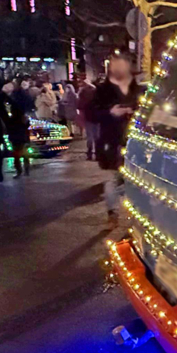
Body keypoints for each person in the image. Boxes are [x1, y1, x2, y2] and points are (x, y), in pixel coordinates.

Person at [93, 54, 143, 227]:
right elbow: (92, 114)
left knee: (135, 182)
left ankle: (136, 219)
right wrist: (111, 113)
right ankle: (112, 214)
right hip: (112, 142)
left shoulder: (139, 90)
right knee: (113, 180)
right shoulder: (102, 90)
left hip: (137, 144)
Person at [7, 94, 31, 179]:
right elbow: (27, 126)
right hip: (23, 137)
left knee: (17, 155)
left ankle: (19, 171)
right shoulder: (23, 118)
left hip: (15, 138)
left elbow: (9, 128)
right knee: (25, 154)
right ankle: (26, 170)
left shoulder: (11, 119)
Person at [77, 80, 97, 159]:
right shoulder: (97, 93)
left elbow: (79, 106)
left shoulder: (83, 94)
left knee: (90, 136)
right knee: (96, 136)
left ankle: (89, 153)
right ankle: (97, 154)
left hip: (88, 117)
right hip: (97, 117)